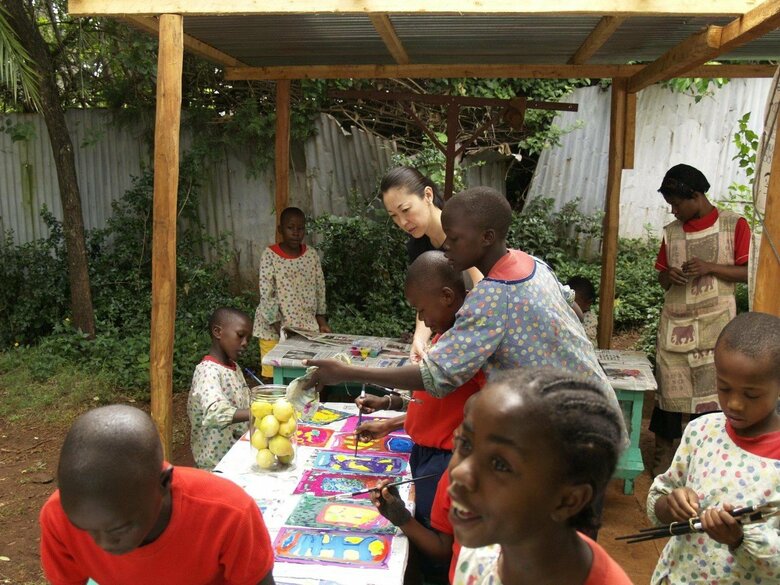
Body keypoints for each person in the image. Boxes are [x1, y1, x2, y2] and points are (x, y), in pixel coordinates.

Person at [305, 186, 622, 423]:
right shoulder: (532, 264)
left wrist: (346, 371)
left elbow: (434, 376)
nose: (446, 245)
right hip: (596, 407)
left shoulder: (492, 296)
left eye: (455, 238)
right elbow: (573, 309)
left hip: (569, 425)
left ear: (486, 237)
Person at [356, 251, 484, 583]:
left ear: (446, 297)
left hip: (443, 461)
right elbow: (433, 404)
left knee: (434, 538)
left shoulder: (466, 352)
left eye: (422, 310)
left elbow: (472, 406)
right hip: (426, 454)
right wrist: (389, 412)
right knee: (424, 527)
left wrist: (345, 371)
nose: (422, 321)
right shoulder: (445, 339)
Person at [39, 405, 275, 585]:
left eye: (118, 529)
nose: (102, 544)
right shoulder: (58, 516)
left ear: (163, 483)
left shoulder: (229, 514)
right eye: (85, 529)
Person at [448, 368, 631, 585]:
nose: (460, 473)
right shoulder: (481, 554)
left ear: (568, 500)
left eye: (500, 464)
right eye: (466, 444)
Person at [646, 311, 780, 585]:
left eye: (751, 394)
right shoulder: (702, 431)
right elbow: (659, 498)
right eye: (724, 388)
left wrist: (740, 540)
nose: (734, 404)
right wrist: (668, 506)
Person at [650, 163, 751, 475]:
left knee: (709, 398)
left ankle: (701, 462)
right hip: (676, 325)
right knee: (669, 392)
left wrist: (710, 267)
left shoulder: (735, 225)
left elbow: (749, 273)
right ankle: (663, 458)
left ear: (696, 196)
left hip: (715, 328)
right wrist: (670, 275)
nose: (674, 211)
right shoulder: (671, 233)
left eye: (678, 204)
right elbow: (661, 281)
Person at [380, 166, 482, 362]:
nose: (402, 222)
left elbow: (485, 289)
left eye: (405, 210)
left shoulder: (461, 232)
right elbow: (426, 302)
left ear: (427, 195)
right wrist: (419, 339)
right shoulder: (417, 246)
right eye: (393, 216)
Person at [253, 206, 330, 379]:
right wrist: (278, 326)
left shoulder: (311, 254)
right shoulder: (270, 255)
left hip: (305, 326)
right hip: (274, 328)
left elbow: (319, 287)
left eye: (300, 228)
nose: (296, 232)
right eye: (290, 228)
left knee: (305, 374)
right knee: (273, 375)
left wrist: (321, 318)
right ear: (280, 230)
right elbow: (267, 293)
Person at [188, 307, 253, 469]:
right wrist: (258, 411)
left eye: (248, 339)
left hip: (237, 457)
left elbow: (245, 403)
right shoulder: (208, 371)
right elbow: (215, 412)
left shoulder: (234, 367)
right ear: (218, 332)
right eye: (240, 335)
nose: (245, 343)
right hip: (216, 466)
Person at [567, 275, 598, 345]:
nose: (569, 306)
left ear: (587, 304)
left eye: (574, 302)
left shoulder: (589, 319)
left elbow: (586, 342)